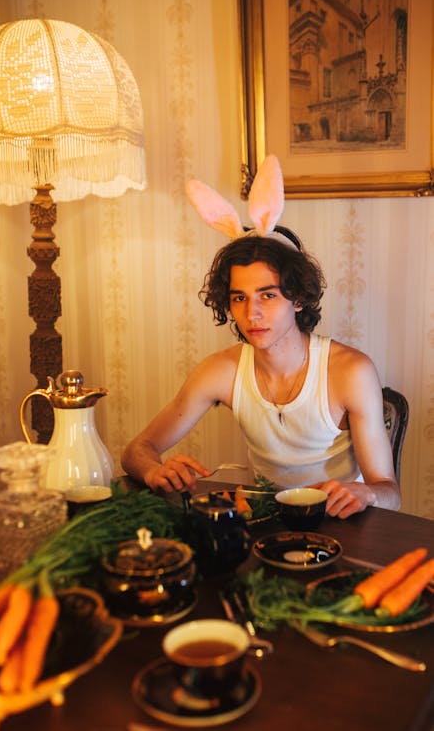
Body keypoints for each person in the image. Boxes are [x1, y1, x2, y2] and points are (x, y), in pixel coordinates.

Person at [121, 158, 400, 519]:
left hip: (345, 526)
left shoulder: (350, 371)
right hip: (263, 522)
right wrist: (154, 470)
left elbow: (390, 494)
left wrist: (366, 493)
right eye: (240, 297)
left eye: (268, 295)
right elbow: (136, 450)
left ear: (298, 298)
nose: (252, 312)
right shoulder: (220, 370)